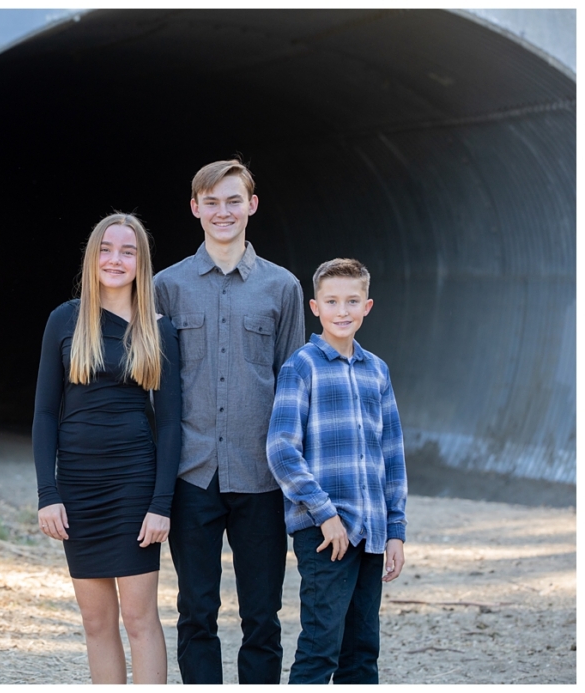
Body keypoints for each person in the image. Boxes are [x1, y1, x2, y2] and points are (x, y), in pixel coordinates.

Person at [153, 159, 305, 684]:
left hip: (261, 475)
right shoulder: (166, 287)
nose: (223, 211)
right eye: (211, 201)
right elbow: (153, 387)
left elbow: (293, 385)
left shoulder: (282, 288)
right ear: (195, 208)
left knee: (262, 616)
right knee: (196, 612)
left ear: (252, 206)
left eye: (233, 200)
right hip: (191, 473)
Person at [33, 212, 182, 684]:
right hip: (77, 488)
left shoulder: (159, 328)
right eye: (106, 249)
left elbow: (172, 423)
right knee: (96, 623)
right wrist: (47, 492)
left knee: (140, 620)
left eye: (128, 251)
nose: (115, 259)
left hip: (134, 485)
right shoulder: (65, 319)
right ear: (92, 255)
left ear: (141, 262)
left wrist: (161, 504)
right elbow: (43, 414)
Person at [266, 258, 408, 684]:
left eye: (352, 301)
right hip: (325, 532)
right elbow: (281, 450)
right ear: (315, 307)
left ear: (368, 306)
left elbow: (392, 455)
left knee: (363, 651)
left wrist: (396, 529)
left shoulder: (377, 371)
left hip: (372, 532)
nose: (342, 311)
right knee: (320, 646)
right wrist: (325, 514)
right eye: (332, 301)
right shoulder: (301, 367)